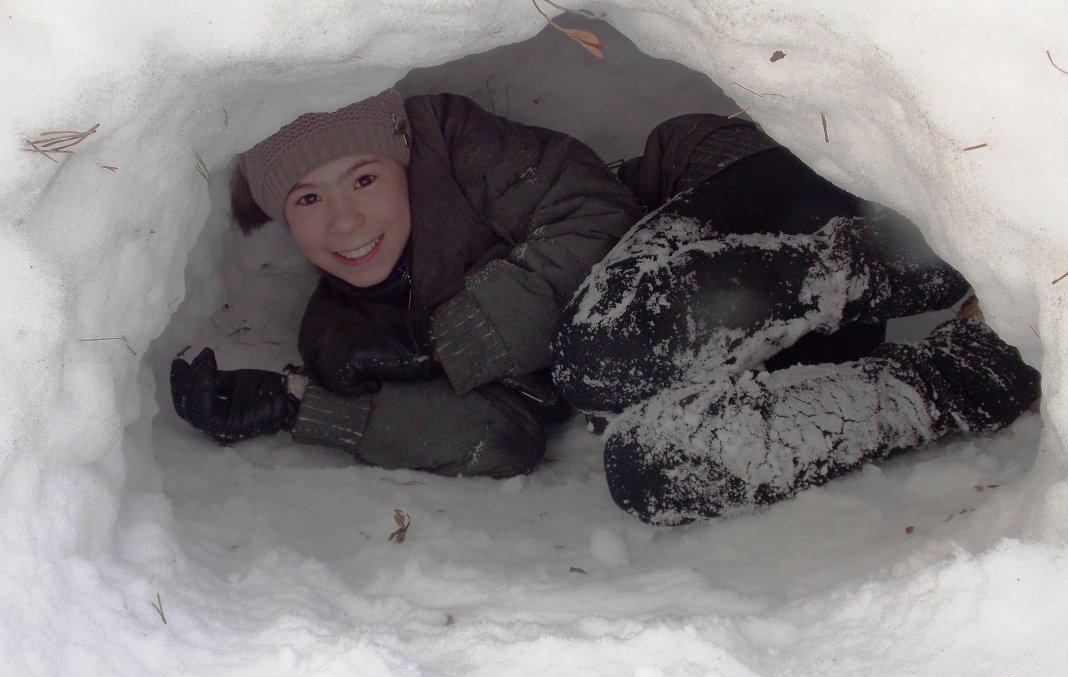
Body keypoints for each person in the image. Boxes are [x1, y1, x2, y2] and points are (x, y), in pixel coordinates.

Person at [552, 114, 1041, 525]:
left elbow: (582, 206)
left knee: (596, 356)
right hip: (733, 332)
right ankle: (963, 373)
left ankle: (940, 252)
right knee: (651, 470)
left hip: (777, 214)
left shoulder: (475, 150)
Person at [170, 89, 640, 477]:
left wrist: (442, 339)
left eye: (364, 179)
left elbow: (600, 224)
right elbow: (499, 436)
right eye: (309, 198)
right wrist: (295, 405)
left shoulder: (455, 144)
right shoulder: (342, 333)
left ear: (405, 165)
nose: (346, 223)